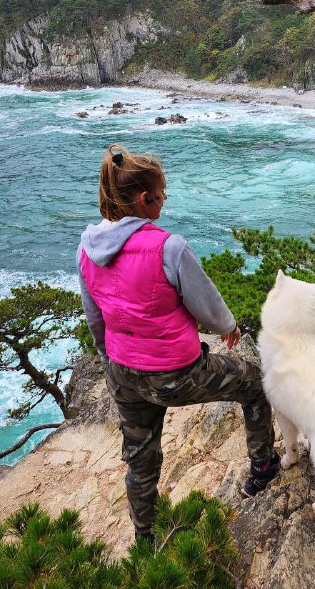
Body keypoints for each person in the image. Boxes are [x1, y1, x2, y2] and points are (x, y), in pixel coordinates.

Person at [77, 144, 279, 541]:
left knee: (139, 459)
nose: (165, 201)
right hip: (176, 374)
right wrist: (230, 326)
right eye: (162, 194)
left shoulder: (87, 250)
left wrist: (111, 364)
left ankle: (145, 538)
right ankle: (263, 469)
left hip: (122, 374)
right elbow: (209, 309)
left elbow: (95, 320)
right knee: (256, 384)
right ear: (143, 199)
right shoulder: (169, 247)